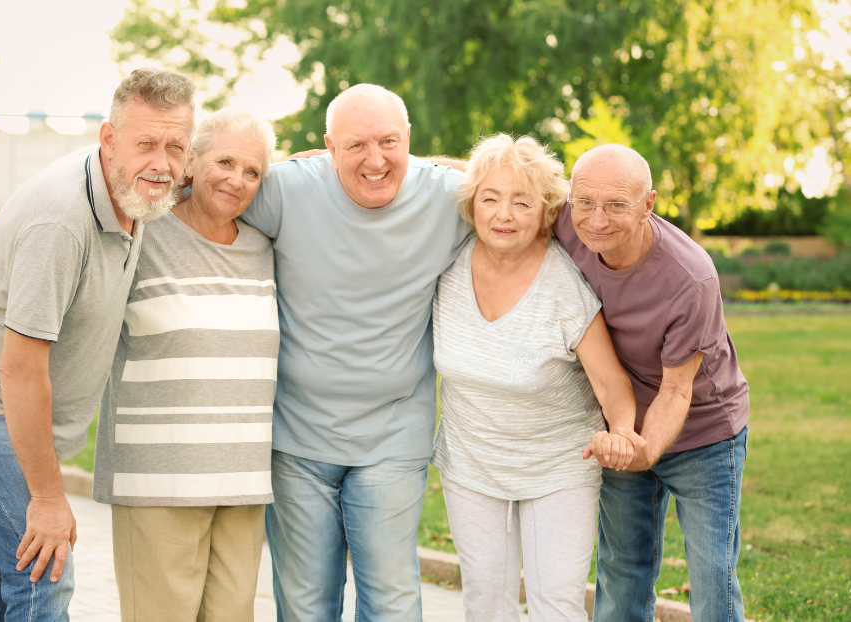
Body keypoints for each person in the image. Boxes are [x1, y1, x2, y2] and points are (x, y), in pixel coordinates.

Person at [0, 68, 195, 621]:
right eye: (146, 144)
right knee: (44, 571)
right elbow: (19, 369)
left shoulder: (147, 181)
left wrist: (332, 165)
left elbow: (240, 165)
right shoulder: (63, 221)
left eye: (176, 147)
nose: (162, 163)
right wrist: (47, 499)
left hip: (2, 396)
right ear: (109, 140)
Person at [237, 83, 469, 622]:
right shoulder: (287, 190)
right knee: (304, 605)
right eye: (355, 146)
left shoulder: (450, 197)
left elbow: (525, 190)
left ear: (410, 139)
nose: (375, 160)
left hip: (392, 432)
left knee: (391, 601)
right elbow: (202, 190)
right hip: (296, 437)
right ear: (327, 146)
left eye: (389, 142)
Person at [432, 133, 642, 622]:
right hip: (471, 463)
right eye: (491, 199)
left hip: (558, 467)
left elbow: (612, 383)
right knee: (485, 602)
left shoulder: (563, 285)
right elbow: (411, 172)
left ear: (546, 210)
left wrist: (624, 433)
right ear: (472, 205)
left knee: (556, 605)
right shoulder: (447, 267)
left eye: (521, 202)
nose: (504, 215)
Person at [92, 107, 279, 622]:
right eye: (225, 161)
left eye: (253, 171)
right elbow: (62, 268)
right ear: (191, 162)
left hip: (242, 482)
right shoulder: (141, 232)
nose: (237, 179)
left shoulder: (266, 249)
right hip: (157, 483)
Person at [555, 143, 750, 622]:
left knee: (712, 578)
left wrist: (644, 450)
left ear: (648, 204)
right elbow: (497, 178)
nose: (596, 219)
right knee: (622, 572)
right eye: (585, 202)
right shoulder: (568, 217)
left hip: (704, 433)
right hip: (622, 425)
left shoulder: (690, 277)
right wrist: (415, 168)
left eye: (617, 205)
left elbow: (677, 390)